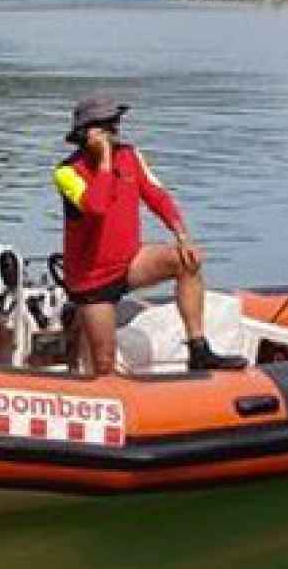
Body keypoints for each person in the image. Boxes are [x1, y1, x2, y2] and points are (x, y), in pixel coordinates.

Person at [54, 96, 247, 375]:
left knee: (186, 262)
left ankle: (198, 349)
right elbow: (96, 207)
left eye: (115, 125)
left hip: (129, 262)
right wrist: (105, 161)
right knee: (104, 364)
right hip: (91, 279)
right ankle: (78, 322)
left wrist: (181, 233)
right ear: (87, 133)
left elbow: (156, 195)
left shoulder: (131, 156)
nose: (114, 132)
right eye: (106, 127)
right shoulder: (66, 173)